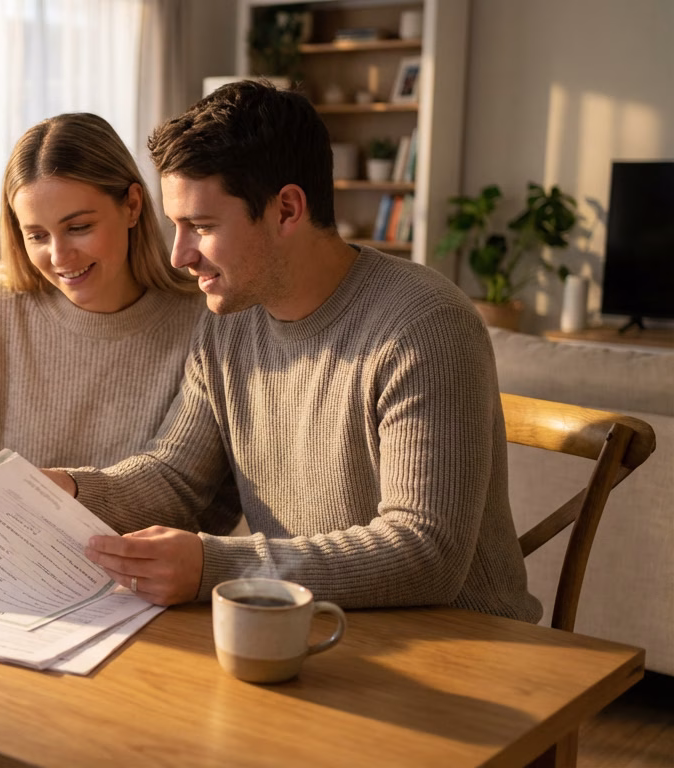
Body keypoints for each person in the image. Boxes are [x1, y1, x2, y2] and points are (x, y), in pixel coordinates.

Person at [45, 80, 542, 623]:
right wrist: (68, 489)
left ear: (286, 209)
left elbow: (426, 551)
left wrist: (214, 566)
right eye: (176, 226)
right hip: (308, 629)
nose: (179, 255)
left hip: (462, 648)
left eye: (202, 226)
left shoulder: (423, 324)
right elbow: (176, 478)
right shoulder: (230, 324)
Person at [0, 112, 238, 537]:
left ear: (132, 205)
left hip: (133, 573)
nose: (60, 256)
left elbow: (178, 489)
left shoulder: (205, 317)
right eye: (36, 235)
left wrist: (64, 490)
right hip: (2, 559)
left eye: (79, 227)